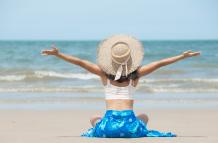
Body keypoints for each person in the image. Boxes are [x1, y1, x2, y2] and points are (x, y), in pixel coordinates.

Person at [41, 34, 200, 138]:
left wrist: (58, 54)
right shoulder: (135, 76)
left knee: (93, 118)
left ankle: (107, 131)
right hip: (130, 127)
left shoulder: (103, 75)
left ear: (110, 61)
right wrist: (182, 56)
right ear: (130, 61)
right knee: (144, 116)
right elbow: (159, 64)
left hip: (108, 128)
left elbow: (80, 62)